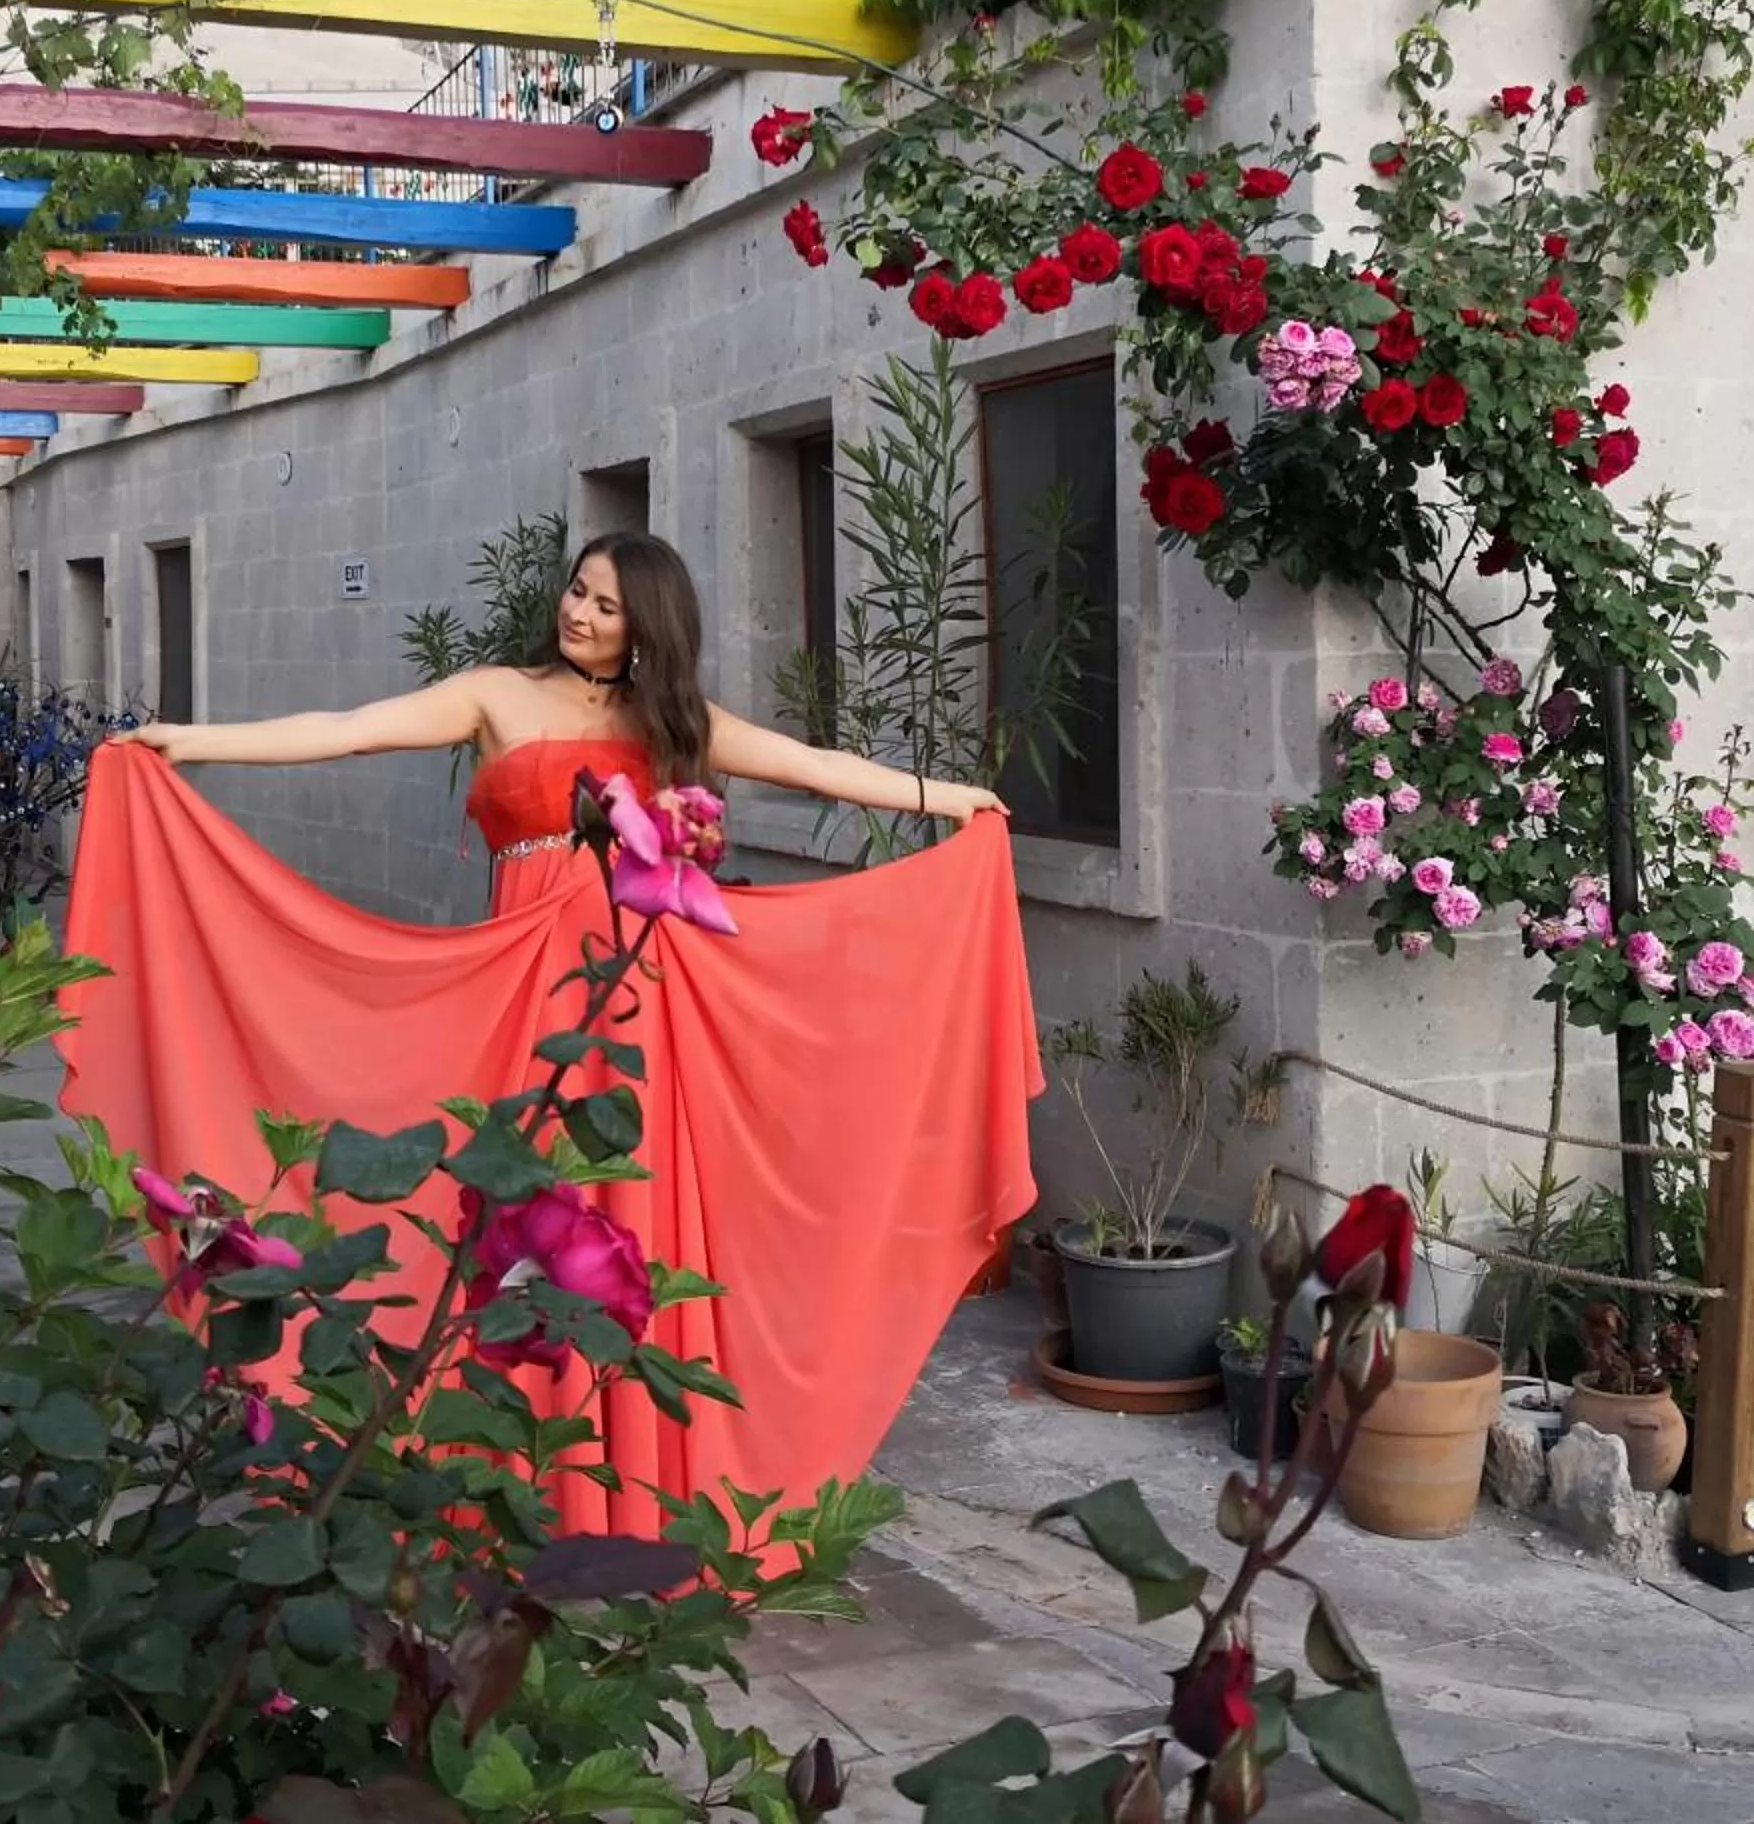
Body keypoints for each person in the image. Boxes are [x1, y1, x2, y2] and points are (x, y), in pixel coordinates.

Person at [56, 531, 1043, 1547]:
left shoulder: (675, 723)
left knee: (633, 1225)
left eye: (609, 606)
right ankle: (501, 1479)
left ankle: (639, 1493)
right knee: (518, 1213)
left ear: (648, 624)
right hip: (526, 995)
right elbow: (349, 727)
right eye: (579, 591)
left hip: (648, 999)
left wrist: (949, 798)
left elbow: (816, 766)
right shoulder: (496, 695)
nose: (581, 614)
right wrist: (193, 742)